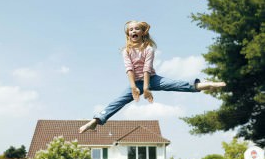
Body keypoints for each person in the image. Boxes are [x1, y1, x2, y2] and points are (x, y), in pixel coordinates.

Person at [79, 20, 226, 134]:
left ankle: (203, 84)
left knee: (175, 84)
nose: (133, 31)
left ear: (143, 32)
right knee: (117, 102)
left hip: (152, 79)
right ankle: (96, 120)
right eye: (131, 30)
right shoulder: (126, 51)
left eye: (136, 29)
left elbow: (146, 69)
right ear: (128, 34)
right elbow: (129, 69)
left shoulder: (148, 49)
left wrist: (146, 87)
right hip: (135, 82)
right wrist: (133, 87)